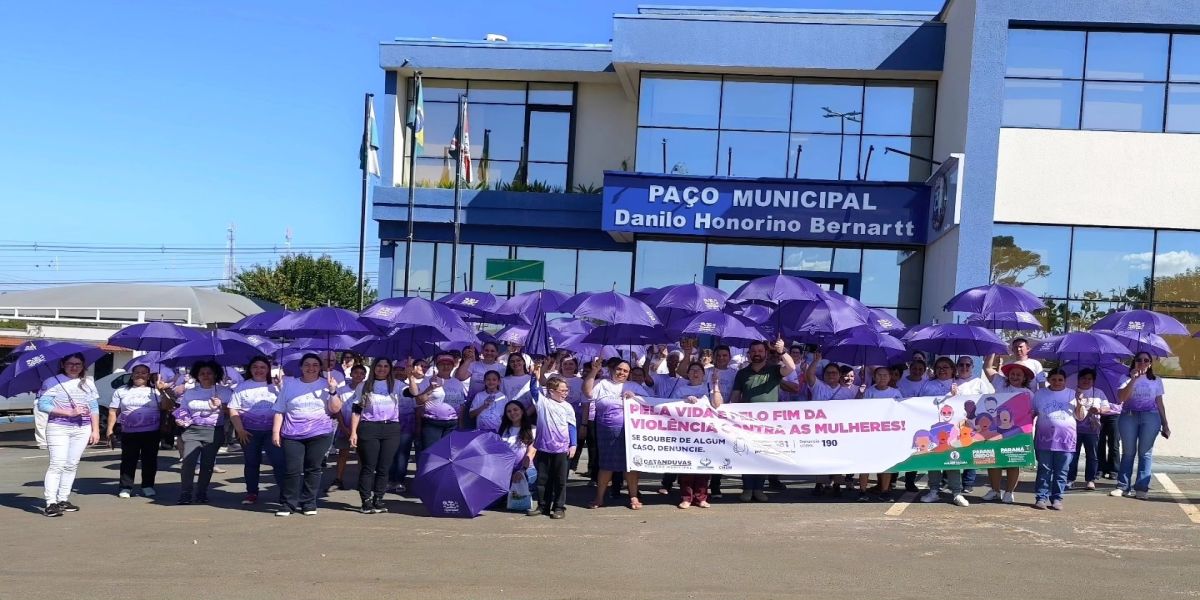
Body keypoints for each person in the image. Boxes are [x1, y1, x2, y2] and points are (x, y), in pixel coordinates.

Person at [272, 353, 345, 517]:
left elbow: (335, 410)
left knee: (313, 468)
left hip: (320, 434)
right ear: (301, 367)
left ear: (320, 368)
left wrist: (333, 391)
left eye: (315, 365)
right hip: (292, 434)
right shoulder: (290, 385)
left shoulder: (327, 384)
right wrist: (276, 432)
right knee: (292, 470)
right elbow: (279, 410)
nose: (311, 368)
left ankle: (309, 502)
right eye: (307, 364)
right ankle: (288, 504)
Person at [729, 339, 795, 502]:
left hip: (768, 423)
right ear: (749, 354)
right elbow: (736, 397)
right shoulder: (742, 373)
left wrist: (782, 351)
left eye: (760, 351)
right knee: (747, 454)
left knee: (763, 455)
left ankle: (758, 489)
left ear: (765, 353)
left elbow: (791, 367)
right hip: (746, 422)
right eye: (753, 351)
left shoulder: (774, 370)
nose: (757, 354)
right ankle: (747, 488)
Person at [37, 353, 100, 517]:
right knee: (57, 464)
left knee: (72, 464)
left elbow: (94, 407)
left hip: (82, 428)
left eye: (78, 364)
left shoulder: (88, 383)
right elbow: (43, 405)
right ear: (63, 364)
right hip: (58, 427)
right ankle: (50, 502)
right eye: (70, 363)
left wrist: (95, 430)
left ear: (83, 365)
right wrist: (68, 412)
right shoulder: (52, 381)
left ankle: (63, 499)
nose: (74, 367)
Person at [584, 357, 650, 510]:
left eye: (626, 371)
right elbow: (587, 392)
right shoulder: (602, 383)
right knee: (606, 465)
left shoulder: (633, 385)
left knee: (631, 465)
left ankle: (633, 496)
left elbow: (649, 403)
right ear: (612, 370)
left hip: (631, 432)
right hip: (606, 431)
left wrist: (635, 398)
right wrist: (594, 370)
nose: (622, 373)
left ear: (629, 373)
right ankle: (599, 497)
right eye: (619, 369)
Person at [106, 364, 174, 499]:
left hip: (151, 432)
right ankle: (126, 487)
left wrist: (161, 391)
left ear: (148, 376)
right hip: (129, 432)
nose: (140, 375)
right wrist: (109, 430)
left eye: (144, 373)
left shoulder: (154, 392)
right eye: (137, 373)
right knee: (128, 460)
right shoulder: (122, 391)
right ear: (132, 375)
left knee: (150, 460)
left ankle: (147, 485)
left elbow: (167, 406)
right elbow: (113, 411)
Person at [1112, 352, 1172, 500]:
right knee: (1128, 452)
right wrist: (1133, 380)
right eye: (1139, 360)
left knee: (1145, 453)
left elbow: (1159, 403)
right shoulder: (1125, 378)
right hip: (1129, 416)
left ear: (1150, 364)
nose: (1142, 362)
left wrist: (1165, 424)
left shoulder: (1156, 380)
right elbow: (1121, 399)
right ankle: (1122, 486)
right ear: (1134, 362)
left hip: (1150, 417)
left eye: (1146, 360)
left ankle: (1141, 488)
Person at [228, 356, 286, 506]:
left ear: (268, 369)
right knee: (252, 462)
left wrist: (280, 387)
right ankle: (251, 492)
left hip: (273, 431)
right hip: (248, 432)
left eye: (262, 367)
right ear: (250, 369)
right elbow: (233, 409)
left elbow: (286, 404)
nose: (259, 370)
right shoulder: (242, 386)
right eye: (255, 367)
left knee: (279, 462)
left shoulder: (276, 385)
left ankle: (285, 493)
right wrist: (239, 430)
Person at [350, 358, 404, 514]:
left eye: (386, 366)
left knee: (384, 467)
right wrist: (353, 432)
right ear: (374, 368)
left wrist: (411, 376)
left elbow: (413, 393)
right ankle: (365, 501)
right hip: (369, 428)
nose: (382, 369)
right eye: (379, 366)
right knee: (369, 466)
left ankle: (378, 499)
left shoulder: (396, 385)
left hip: (391, 428)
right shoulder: (364, 386)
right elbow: (356, 410)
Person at [174, 360, 231, 505]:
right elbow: (183, 410)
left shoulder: (224, 392)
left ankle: (201, 493)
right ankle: (185, 493)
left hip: (214, 432)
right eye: (202, 373)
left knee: (207, 464)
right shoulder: (191, 393)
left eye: (209, 373)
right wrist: (180, 419)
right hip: (193, 431)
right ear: (197, 376)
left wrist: (222, 405)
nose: (206, 376)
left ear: (215, 374)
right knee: (188, 462)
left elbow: (233, 411)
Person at [917, 357, 970, 507]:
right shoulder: (928, 384)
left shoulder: (959, 385)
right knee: (934, 459)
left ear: (952, 369)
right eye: (939, 367)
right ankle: (933, 490)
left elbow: (965, 406)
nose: (942, 370)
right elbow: (920, 403)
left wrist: (956, 396)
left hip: (953, 430)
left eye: (946, 367)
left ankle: (956, 493)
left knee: (953, 460)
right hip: (933, 429)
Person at [981, 359, 1035, 503]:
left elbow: (1032, 413)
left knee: (1013, 461)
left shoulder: (1028, 393)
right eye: (1012, 374)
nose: (1015, 376)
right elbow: (986, 367)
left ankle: (1009, 492)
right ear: (1008, 375)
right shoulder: (1000, 384)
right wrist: (992, 350)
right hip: (996, 430)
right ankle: (995, 490)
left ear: (1024, 378)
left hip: (1016, 433)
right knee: (993, 461)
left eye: (1019, 374)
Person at [1032, 369, 1086, 510]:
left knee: (1062, 471)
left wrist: (1080, 403)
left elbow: (1080, 417)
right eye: (1054, 379)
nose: (1057, 382)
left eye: (1060, 380)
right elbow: (1031, 413)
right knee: (1044, 470)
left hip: (1066, 440)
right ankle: (1041, 497)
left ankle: (1057, 498)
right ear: (1049, 379)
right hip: (1044, 439)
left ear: (1065, 381)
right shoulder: (1039, 394)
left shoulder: (1073, 394)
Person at [674, 367, 724, 509]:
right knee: (687, 467)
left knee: (704, 467)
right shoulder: (680, 390)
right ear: (687, 374)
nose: (695, 373)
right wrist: (684, 401)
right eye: (692, 370)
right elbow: (670, 408)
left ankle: (701, 497)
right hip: (685, 434)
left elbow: (718, 404)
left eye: (698, 371)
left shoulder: (708, 387)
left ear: (703, 374)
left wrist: (715, 384)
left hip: (705, 434)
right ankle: (686, 497)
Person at [529, 375, 578, 519]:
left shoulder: (567, 407)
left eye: (566, 390)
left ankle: (559, 507)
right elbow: (533, 391)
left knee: (560, 480)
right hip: (544, 448)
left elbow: (572, 426)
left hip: (561, 449)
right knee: (543, 480)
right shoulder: (543, 403)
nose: (565, 393)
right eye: (561, 390)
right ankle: (543, 506)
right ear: (551, 391)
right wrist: (534, 376)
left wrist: (573, 445)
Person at [407, 352, 471, 454]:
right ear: (437, 365)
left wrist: (461, 424)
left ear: (453, 365)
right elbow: (418, 401)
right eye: (442, 363)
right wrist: (430, 388)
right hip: (433, 424)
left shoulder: (457, 383)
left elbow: (461, 405)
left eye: (449, 363)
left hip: (452, 425)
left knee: (446, 455)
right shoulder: (428, 380)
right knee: (431, 454)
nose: (446, 366)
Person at [858, 365, 901, 501]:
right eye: (879, 375)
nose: (882, 378)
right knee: (865, 463)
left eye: (885, 375)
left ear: (889, 377)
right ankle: (862, 491)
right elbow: (861, 410)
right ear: (874, 377)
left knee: (886, 462)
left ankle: (885, 491)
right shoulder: (869, 392)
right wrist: (861, 394)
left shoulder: (895, 393)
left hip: (888, 434)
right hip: (870, 432)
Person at [1069, 369, 1111, 491]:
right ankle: (1070, 479)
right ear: (1078, 379)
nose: (1086, 381)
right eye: (1083, 378)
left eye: (1089, 379)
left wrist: (1099, 411)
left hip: (1092, 430)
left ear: (1093, 381)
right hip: (1074, 429)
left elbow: (1107, 409)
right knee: (1073, 455)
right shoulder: (1071, 392)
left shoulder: (1098, 393)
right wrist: (1077, 400)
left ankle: (1090, 480)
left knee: (1092, 455)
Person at [387, 358, 423, 494]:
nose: (399, 372)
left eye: (403, 370)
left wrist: (418, 427)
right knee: (390, 454)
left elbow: (417, 407)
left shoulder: (411, 385)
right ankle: (390, 479)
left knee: (402, 454)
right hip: (390, 425)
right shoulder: (388, 385)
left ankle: (399, 480)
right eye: (397, 369)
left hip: (407, 425)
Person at [329, 364, 366, 491]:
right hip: (344, 426)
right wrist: (343, 427)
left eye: (362, 373)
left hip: (362, 427)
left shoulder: (367, 390)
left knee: (362, 455)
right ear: (351, 374)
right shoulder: (342, 390)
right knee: (343, 454)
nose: (358, 376)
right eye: (356, 373)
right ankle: (338, 479)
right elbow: (337, 410)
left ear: (365, 376)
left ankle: (362, 482)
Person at [499, 400, 537, 514]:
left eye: (515, 410)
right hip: (506, 470)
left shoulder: (533, 429)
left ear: (522, 411)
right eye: (509, 411)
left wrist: (522, 470)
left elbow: (531, 453)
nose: (512, 413)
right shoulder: (503, 429)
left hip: (526, 469)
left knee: (518, 497)